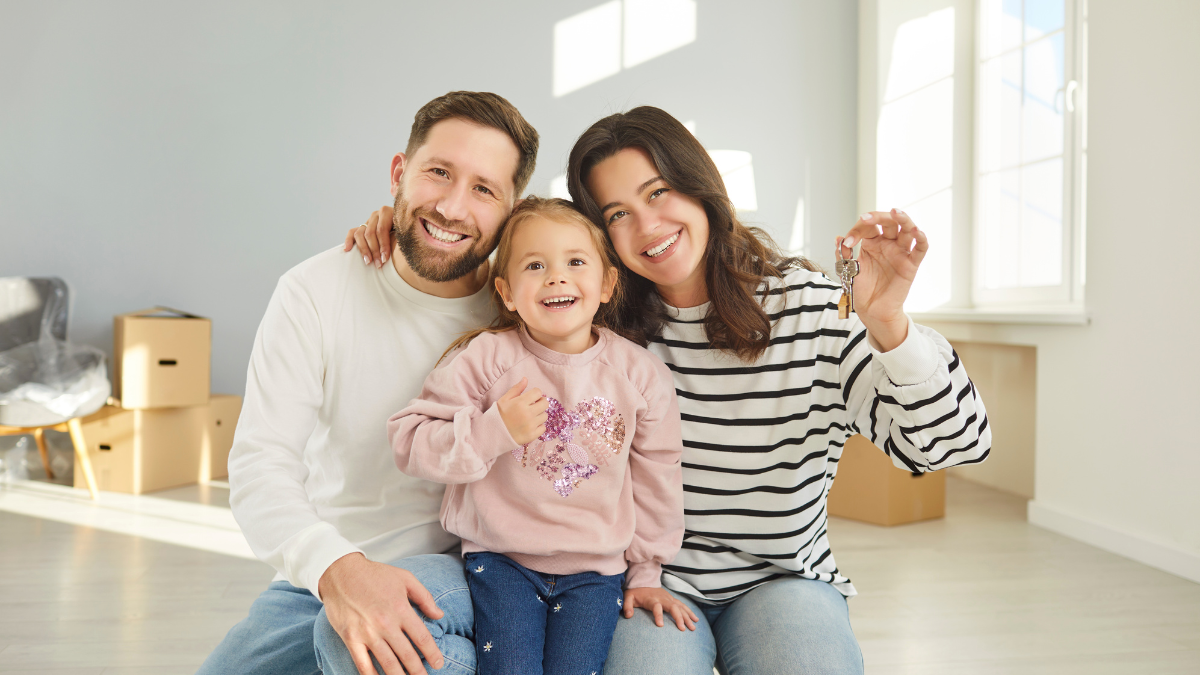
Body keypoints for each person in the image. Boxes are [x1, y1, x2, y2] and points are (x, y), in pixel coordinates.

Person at [350, 106, 990, 674]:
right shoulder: (595, 325)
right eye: (617, 214)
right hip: (638, 582)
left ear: (700, 185)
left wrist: (890, 325)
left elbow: (949, 447)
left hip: (781, 581)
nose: (647, 225)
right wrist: (399, 230)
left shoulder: (812, 308)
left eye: (659, 191)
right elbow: (510, 264)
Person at [198, 90, 539, 675]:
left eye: (484, 189)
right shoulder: (315, 290)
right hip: (326, 573)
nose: (452, 207)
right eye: (438, 173)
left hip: (470, 576)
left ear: (513, 211)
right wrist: (338, 570)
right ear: (398, 174)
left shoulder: (528, 310)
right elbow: (261, 464)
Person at [388, 197, 694, 675]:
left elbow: (658, 480)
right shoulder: (487, 360)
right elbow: (409, 441)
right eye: (535, 265)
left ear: (607, 283)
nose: (556, 277)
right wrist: (492, 432)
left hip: (597, 573)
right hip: (501, 562)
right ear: (507, 292)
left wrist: (646, 572)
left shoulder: (641, 375)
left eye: (575, 262)